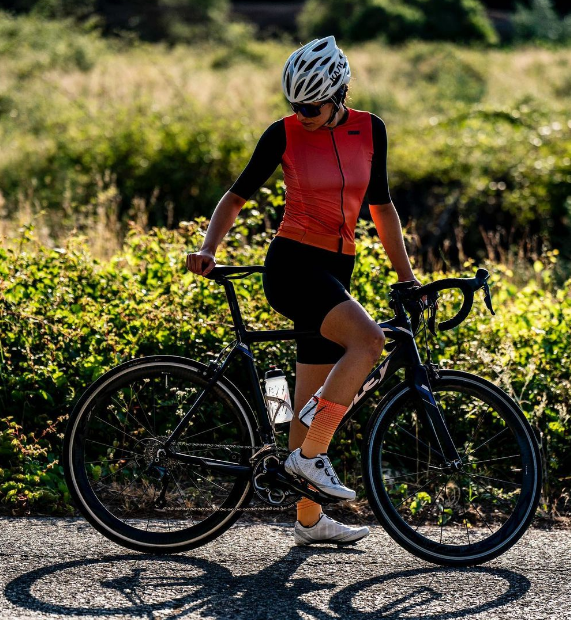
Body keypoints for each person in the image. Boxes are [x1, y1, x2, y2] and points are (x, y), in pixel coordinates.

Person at [186, 36, 420, 546]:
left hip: (338, 269)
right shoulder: (284, 133)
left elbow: (381, 207)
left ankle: (309, 520)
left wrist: (406, 276)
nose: (302, 114)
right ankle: (310, 459)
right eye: (295, 104)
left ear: (337, 95)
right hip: (293, 265)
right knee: (369, 341)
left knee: (308, 400)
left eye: (311, 106)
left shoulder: (371, 129)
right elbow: (235, 196)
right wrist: (207, 247)